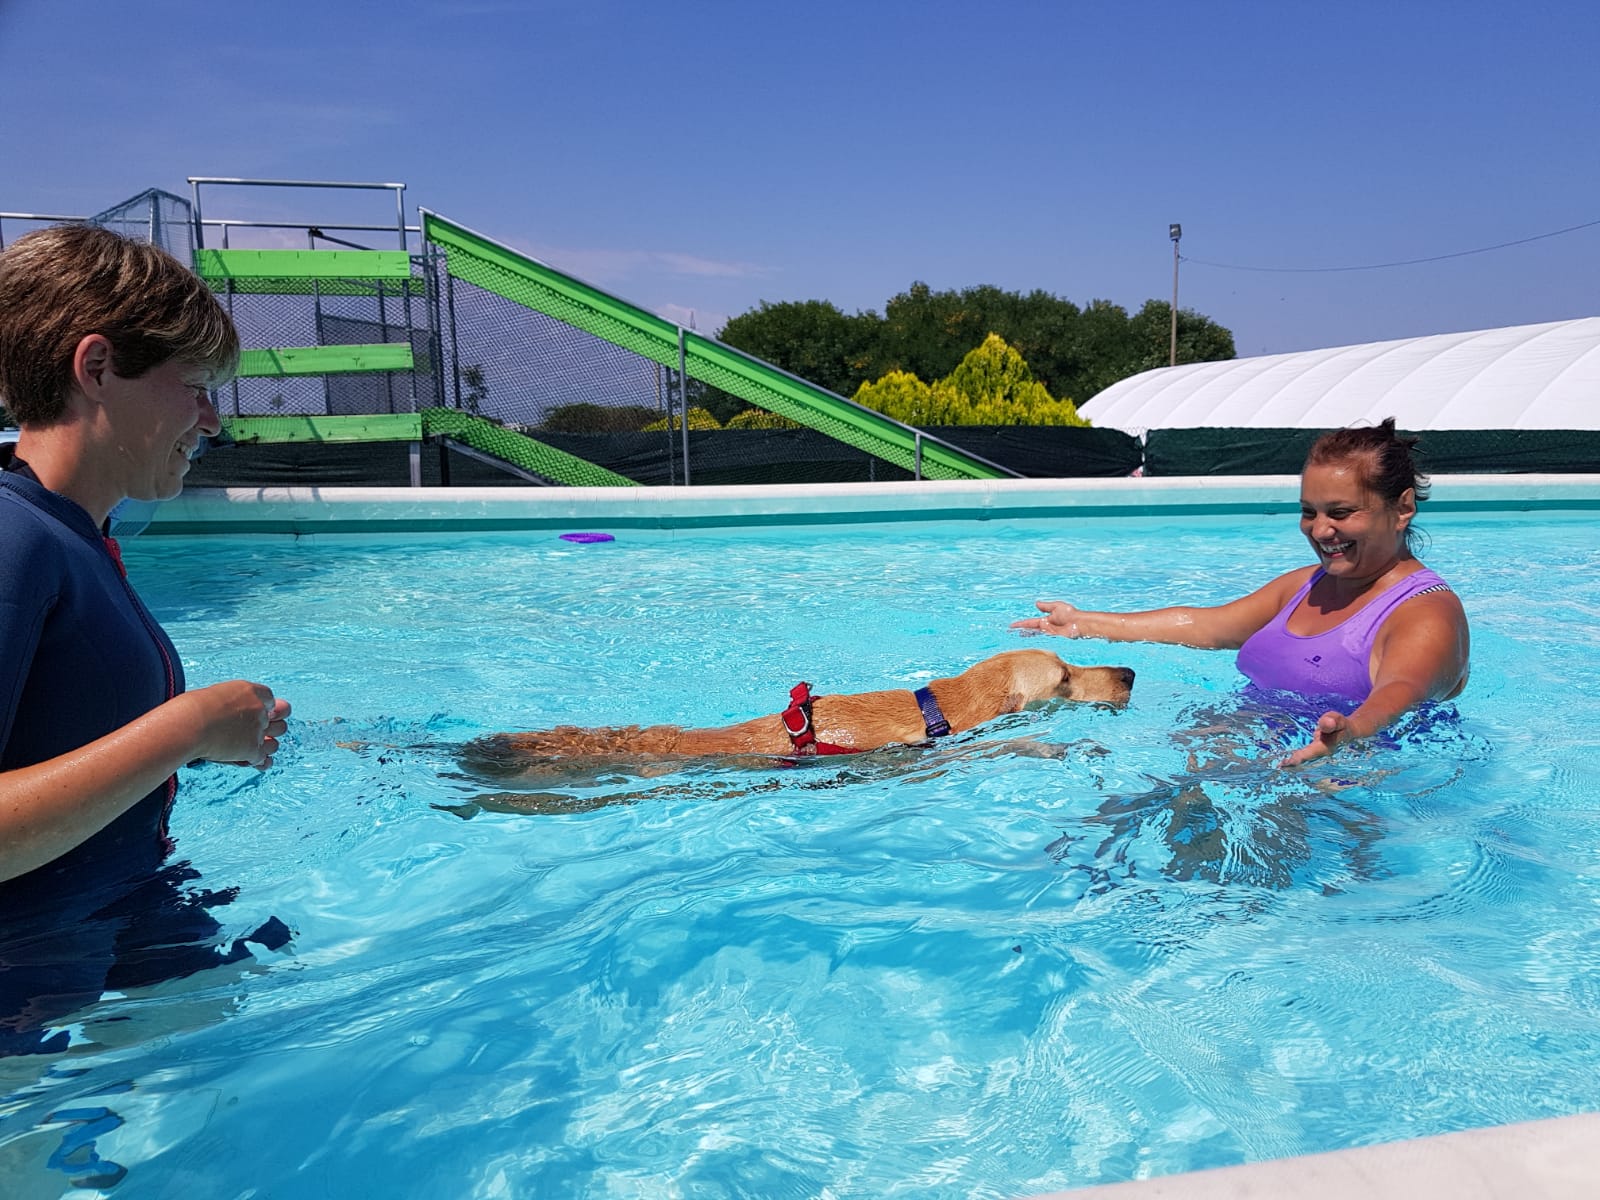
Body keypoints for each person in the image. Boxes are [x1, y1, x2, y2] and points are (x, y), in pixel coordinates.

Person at [0, 224, 291, 1052]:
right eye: (195, 385)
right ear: (96, 368)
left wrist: (203, 741)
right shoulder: (14, 539)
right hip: (26, 1003)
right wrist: (184, 728)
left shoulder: (70, 538)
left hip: (110, 928)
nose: (212, 420)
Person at [1012, 420, 1469, 767]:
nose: (1321, 530)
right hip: (1239, 759)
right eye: (1309, 512)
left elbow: (1402, 689)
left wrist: (1353, 731)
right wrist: (1082, 623)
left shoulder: (1424, 614)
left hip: (1329, 779)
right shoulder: (1307, 585)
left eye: (1342, 512)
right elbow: (1209, 626)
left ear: (1403, 507)